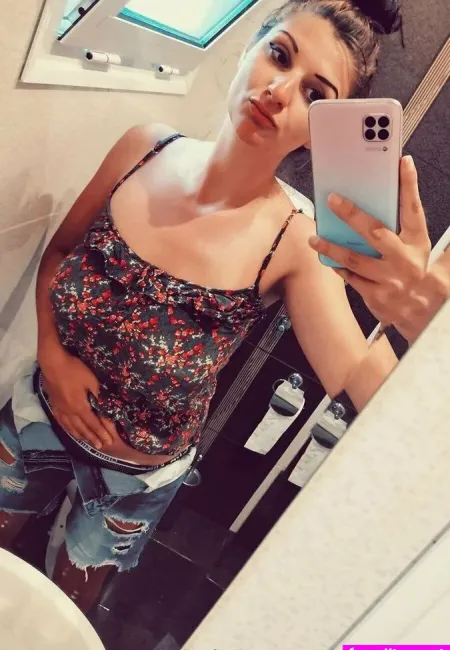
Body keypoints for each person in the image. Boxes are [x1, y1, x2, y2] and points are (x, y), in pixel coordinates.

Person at [0, 0, 448, 612]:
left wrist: (427, 328)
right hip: (36, 412)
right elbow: (60, 253)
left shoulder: (293, 241)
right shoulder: (143, 147)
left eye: (315, 95)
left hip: (132, 482)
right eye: (279, 55)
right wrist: (52, 358)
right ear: (248, 48)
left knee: (64, 603)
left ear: (322, 132)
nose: (280, 92)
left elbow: (374, 397)